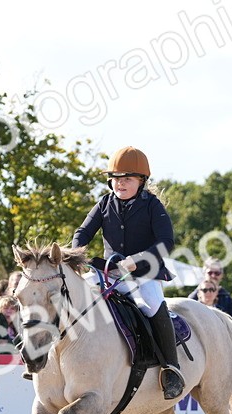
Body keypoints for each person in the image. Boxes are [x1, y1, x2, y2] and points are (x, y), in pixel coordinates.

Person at [70, 145, 186, 399]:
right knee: (72, 296)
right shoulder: (104, 203)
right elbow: (82, 233)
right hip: (108, 274)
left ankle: (171, 369)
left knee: (153, 305)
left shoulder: (152, 206)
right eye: (116, 179)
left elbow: (166, 242)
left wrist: (138, 259)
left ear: (142, 181)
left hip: (143, 274)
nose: (120, 184)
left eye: (127, 179)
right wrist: (75, 252)